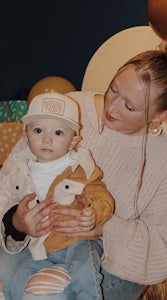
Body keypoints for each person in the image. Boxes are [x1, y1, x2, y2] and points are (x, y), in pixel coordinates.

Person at [0, 34, 167, 300]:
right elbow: (8, 180)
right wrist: (16, 221)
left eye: (129, 106)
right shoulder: (71, 109)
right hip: (32, 244)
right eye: (114, 88)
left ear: (160, 116)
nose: (112, 106)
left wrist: (103, 227)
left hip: (106, 265)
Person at [0, 92, 114, 300]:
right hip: (39, 248)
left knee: (84, 273)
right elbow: (2, 198)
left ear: (73, 141)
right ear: (25, 137)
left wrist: (94, 213)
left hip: (77, 242)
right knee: (14, 285)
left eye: (59, 133)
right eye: (38, 130)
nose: (47, 139)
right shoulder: (19, 169)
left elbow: (102, 197)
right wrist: (16, 220)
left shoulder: (81, 168)